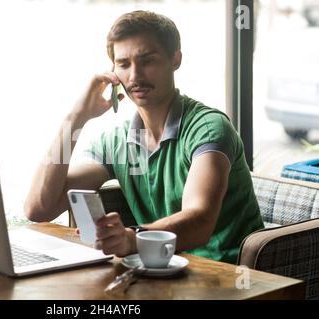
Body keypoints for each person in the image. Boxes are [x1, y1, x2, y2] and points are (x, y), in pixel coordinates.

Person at [24, 10, 264, 264]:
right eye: (124, 64)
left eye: (148, 60)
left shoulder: (208, 128)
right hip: (161, 272)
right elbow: (39, 208)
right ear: (113, 71)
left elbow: (200, 220)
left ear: (175, 59)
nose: (135, 76)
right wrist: (75, 119)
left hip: (231, 277)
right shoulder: (119, 142)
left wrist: (132, 238)